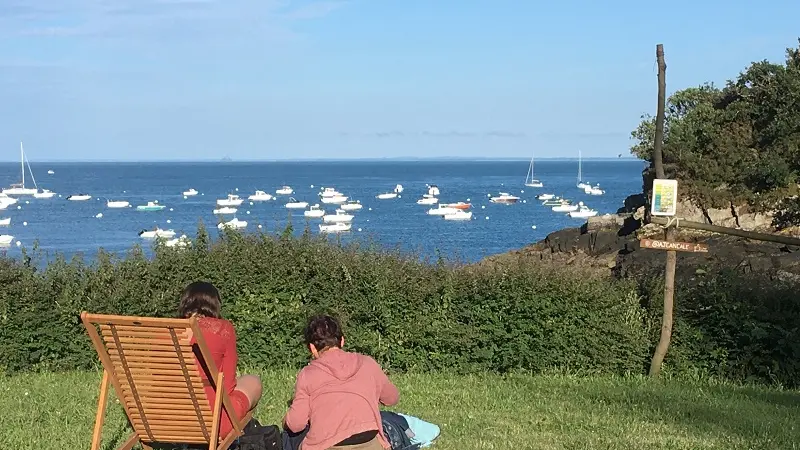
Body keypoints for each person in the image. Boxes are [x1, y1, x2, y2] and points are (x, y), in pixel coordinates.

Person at [284, 315, 400, 450]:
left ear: (312, 348)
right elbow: (392, 398)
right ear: (342, 341)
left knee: (289, 437)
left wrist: (286, 420)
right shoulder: (367, 363)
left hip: (326, 445)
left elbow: (296, 424)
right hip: (370, 443)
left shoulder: (308, 374)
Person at [178, 281, 263, 437]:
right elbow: (228, 386)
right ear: (214, 304)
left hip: (170, 419)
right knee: (253, 381)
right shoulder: (223, 329)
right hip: (213, 422)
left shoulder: (167, 332)